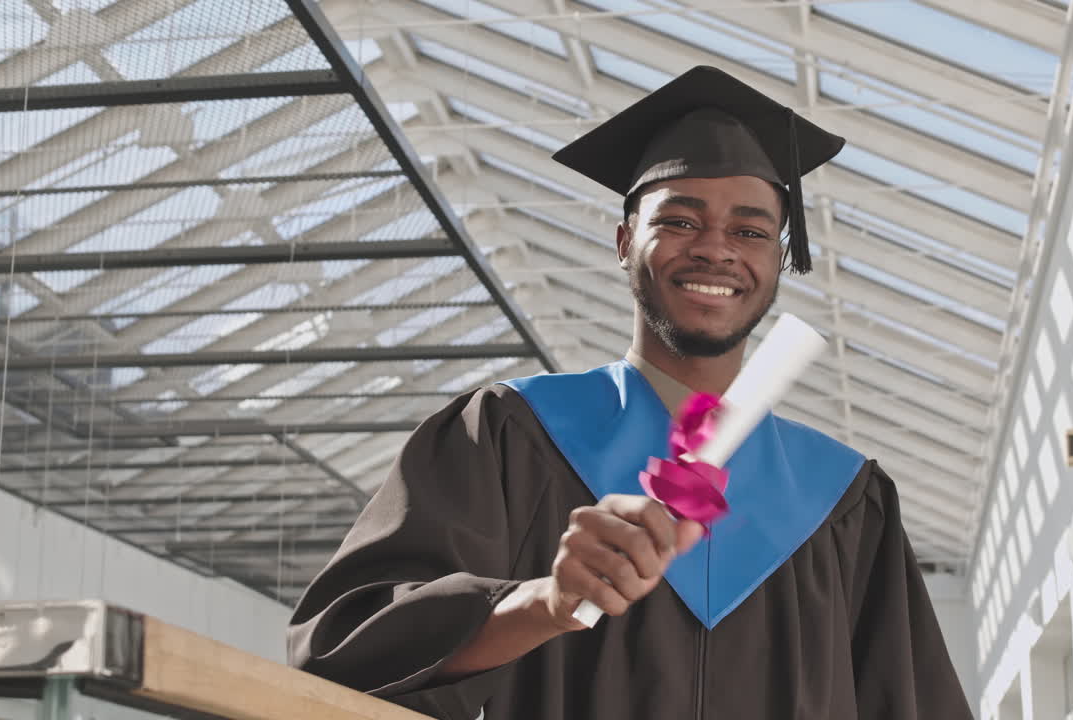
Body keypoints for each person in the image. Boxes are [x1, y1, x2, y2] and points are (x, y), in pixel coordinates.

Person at [288, 66, 974, 720]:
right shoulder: (509, 435)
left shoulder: (846, 500)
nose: (716, 248)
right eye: (679, 220)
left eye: (751, 230)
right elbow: (344, 650)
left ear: (777, 259)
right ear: (624, 241)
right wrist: (545, 602)